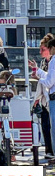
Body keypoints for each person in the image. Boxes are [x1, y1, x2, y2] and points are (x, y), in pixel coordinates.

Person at [29, 34, 55, 165]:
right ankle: (50, 151)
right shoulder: (47, 62)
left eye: (43, 49)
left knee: (52, 127)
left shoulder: (52, 61)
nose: (41, 52)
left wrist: (38, 76)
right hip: (47, 98)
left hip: (51, 97)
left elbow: (49, 82)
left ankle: (52, 152)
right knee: (48, 127)